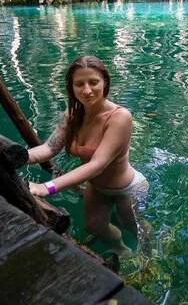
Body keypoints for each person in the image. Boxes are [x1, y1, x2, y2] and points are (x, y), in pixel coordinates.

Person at [28, 55, 148, 257]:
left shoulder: (120, 117)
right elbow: (49, 148)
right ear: (71, 86)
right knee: (94, 227)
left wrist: (45, 188)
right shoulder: (72, 115)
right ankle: (121, 249)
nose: (86, 90)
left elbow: (97, 165)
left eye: (93, 82)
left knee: (134, 227)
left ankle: (147, 253)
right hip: (97, 187)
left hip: (127, 188)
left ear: (105, 82)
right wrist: (20, 156)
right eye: (79, 84)